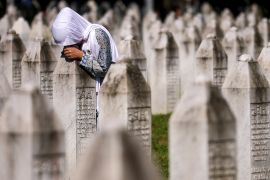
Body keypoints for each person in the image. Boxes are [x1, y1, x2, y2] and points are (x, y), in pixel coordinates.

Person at [51, 7, 118, 119]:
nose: (67, 46)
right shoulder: (82, 39)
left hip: (108, 94)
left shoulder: (98, 35)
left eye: (68, 42)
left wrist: (81, 56)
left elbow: (104, 69)